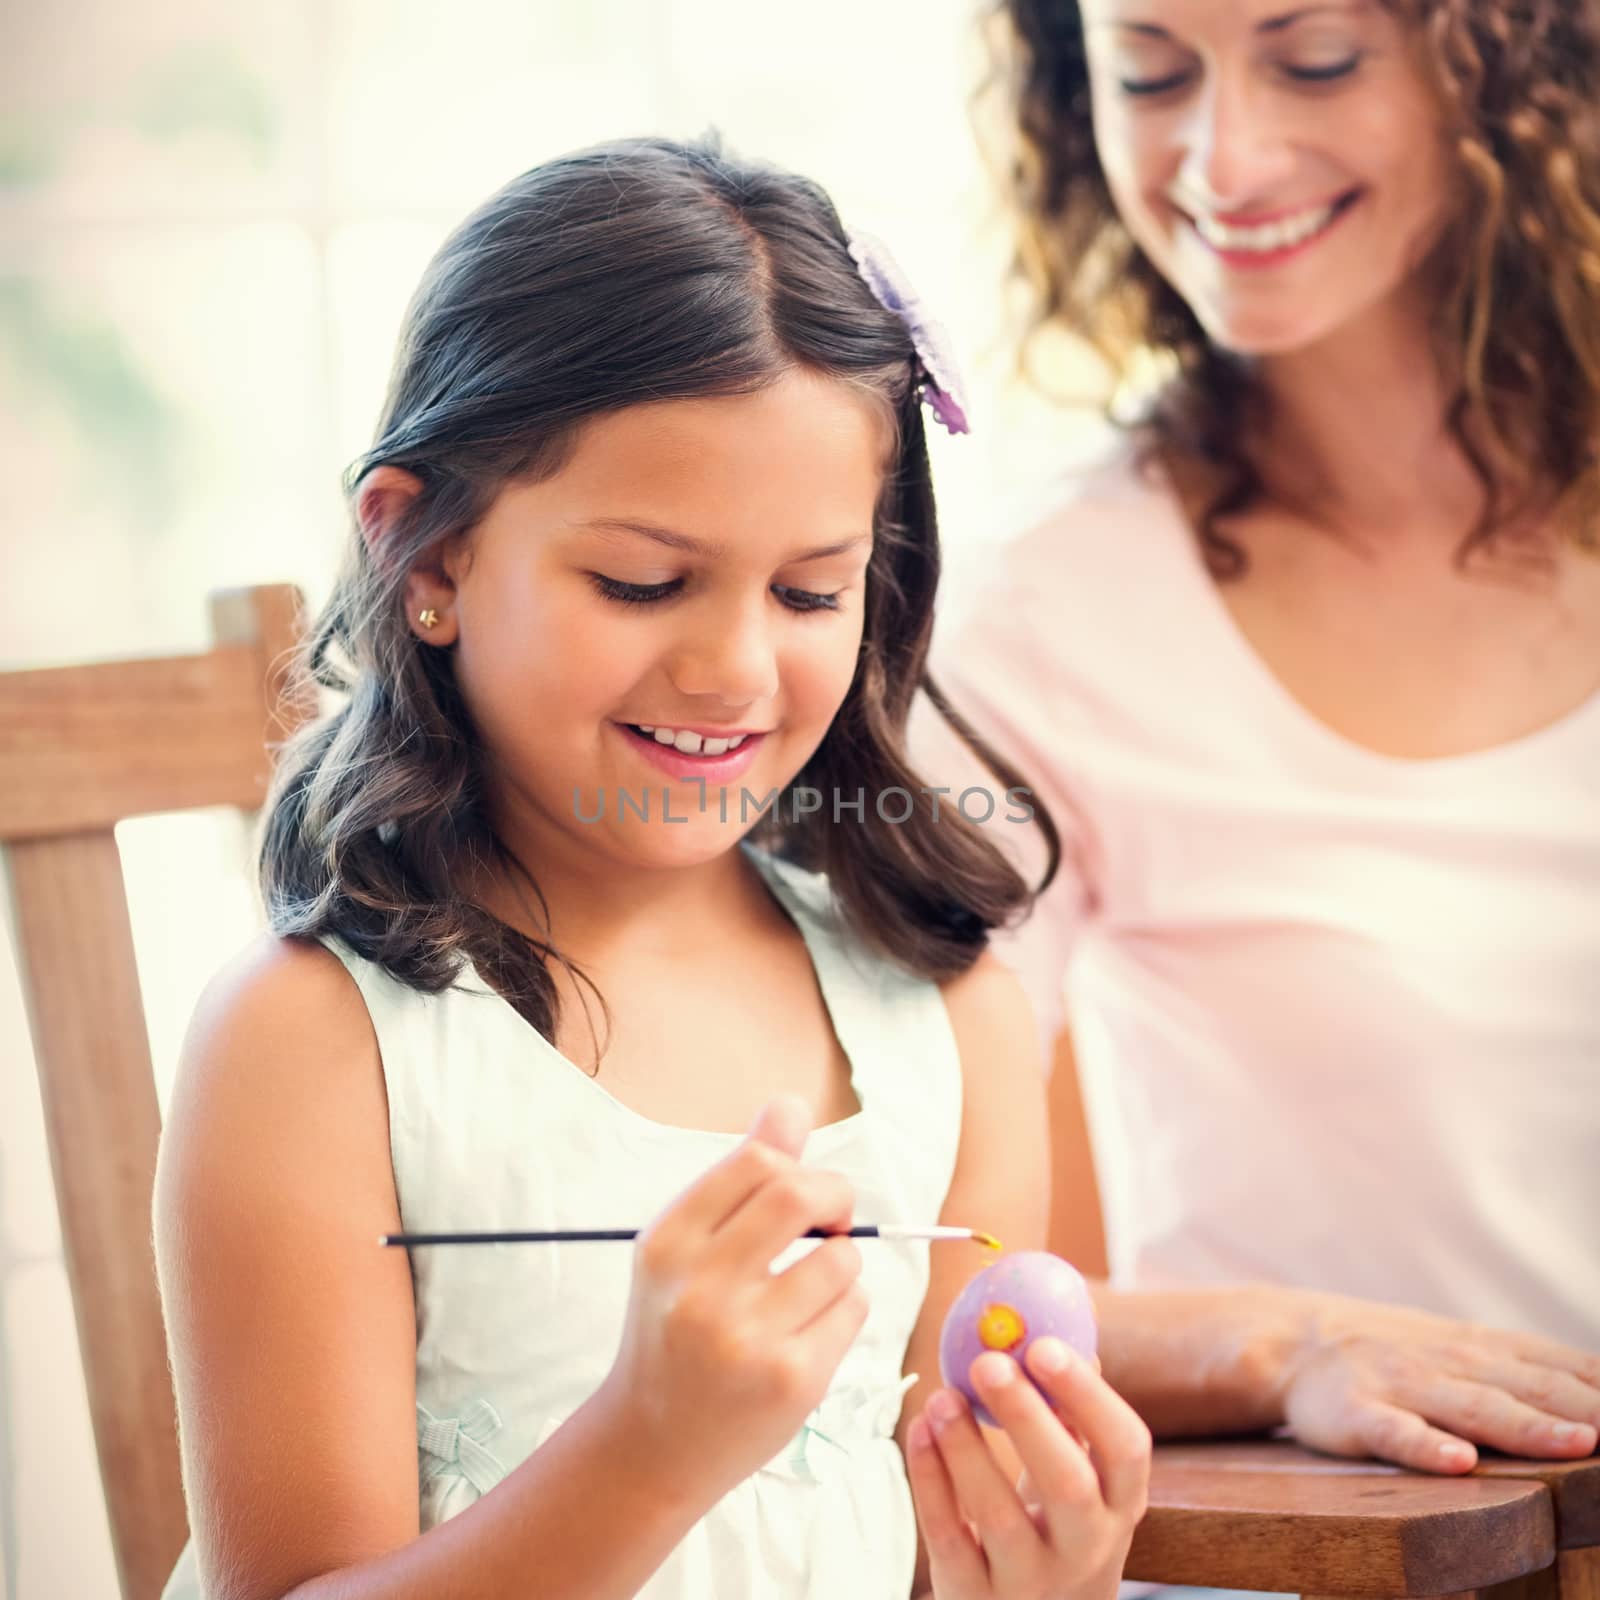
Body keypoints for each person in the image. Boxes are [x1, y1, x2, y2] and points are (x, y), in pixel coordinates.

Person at [153, 135, 1155, 1600]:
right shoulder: (311, 1046)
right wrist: (650, 1448)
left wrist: (1041, 1572)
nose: (733, 667)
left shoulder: (948, 1017)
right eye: (640, 582)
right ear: (424, 558)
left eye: (812, 589)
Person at [913, 0, 1600, 1478]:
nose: (1225, 158)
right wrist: (1290, 1347)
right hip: (1386, 1556)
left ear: (1508, 59)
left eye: (1315, 60)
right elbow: (910, 1275)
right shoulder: (1038, 624)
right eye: (1151, 72)